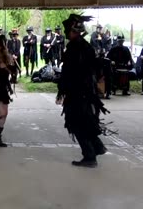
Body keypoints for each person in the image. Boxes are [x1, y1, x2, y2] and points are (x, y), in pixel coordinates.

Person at [56, 14, 109, 168]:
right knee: (86, 120)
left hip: (77, 91)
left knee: (77, 123)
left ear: (72, 31)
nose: (67, 33)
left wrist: (62, 88)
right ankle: (98, 147)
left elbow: (70, 71)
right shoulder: (86, 46)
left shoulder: (74, 47)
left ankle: (90, 156)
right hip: (87, 90)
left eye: (68, 30)